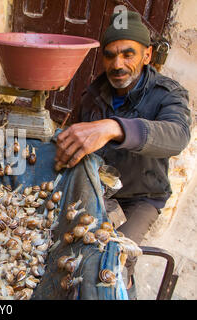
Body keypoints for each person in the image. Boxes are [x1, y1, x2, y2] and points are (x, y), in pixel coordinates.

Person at [54, 11, 191, 298]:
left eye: (128, 54)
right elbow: (77, 130)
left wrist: (114, 126)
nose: (118, 65)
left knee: (116, 260)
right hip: (97, 189)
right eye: (110, 55)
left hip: (140, 198)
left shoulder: (167, 94)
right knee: (66, 249)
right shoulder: (94, 92)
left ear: (147, 54)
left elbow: (177, 136)